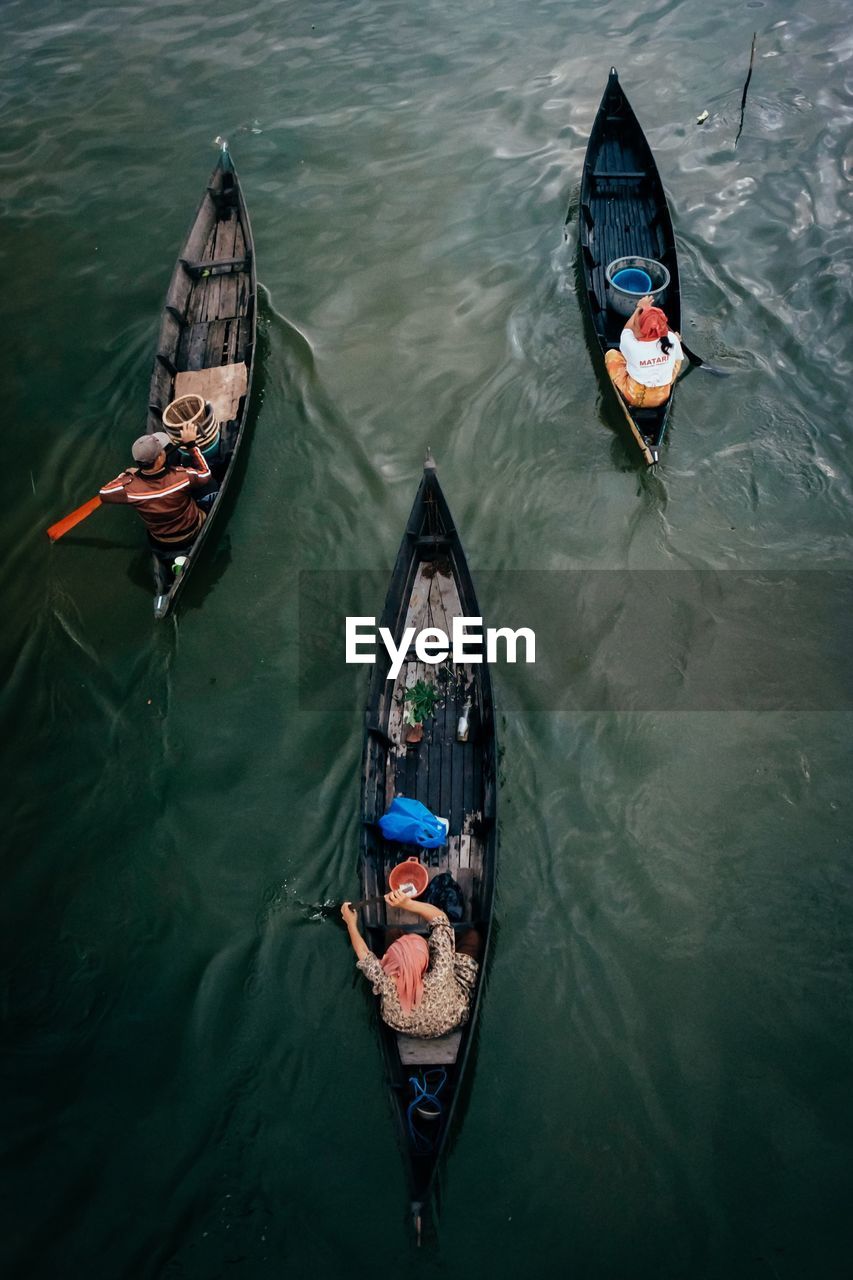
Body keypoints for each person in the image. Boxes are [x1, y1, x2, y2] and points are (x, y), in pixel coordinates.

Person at [341, 888, 479, 1039]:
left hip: (403, 1025)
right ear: (428, 964)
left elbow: (363, 953)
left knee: (392, 933)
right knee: (472, 936)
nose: (386, 955)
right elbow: (440, 919)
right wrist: (407, 903)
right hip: (452, 1019)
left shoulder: (385, 979)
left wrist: (350, 924)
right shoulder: (441, 971)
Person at [99, 423, 214, 552]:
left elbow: (104, 493)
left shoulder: (129, 490)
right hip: (192, 530)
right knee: (211, 485)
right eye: (162, 450)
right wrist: (192, 446)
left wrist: (127, 475)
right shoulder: (182, 476)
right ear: (160, 458)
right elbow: (206, 473)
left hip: (162, 540)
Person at [604, 294, 683, 408]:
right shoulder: (672, 339)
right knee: (677, 358)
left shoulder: (630, 343)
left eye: (637, 324)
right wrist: (676, 340)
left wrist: (639, 308)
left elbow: (627, 328)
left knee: (611, 354)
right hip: (662, 396)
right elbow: (675, 354)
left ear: (642, 331)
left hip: (636, 396)